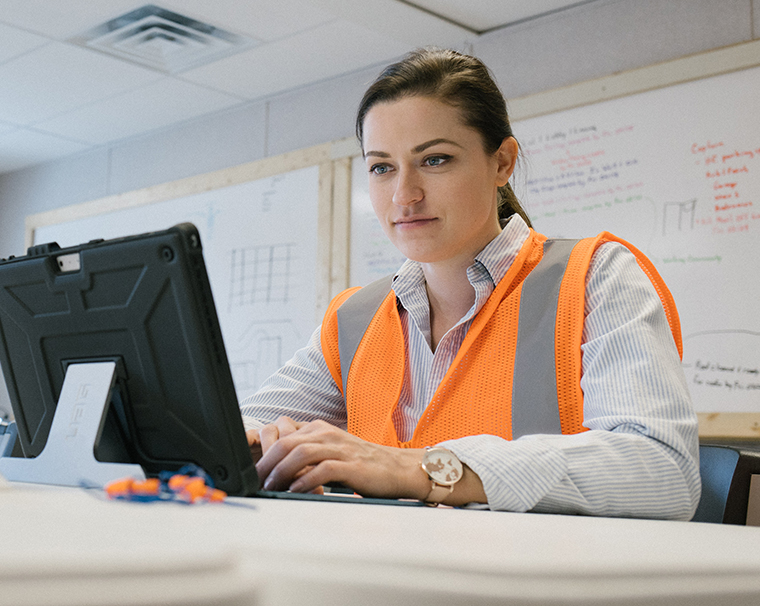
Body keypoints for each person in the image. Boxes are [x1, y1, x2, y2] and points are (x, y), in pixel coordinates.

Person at [240, 47, 701, 519]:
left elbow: (663, 471)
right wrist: (256, 447)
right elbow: (237, 429)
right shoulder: (353, 320)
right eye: (382, 167)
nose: (404, 195)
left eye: (435, 160)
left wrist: (420, 469)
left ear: (502, 162)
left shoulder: (596, 277)